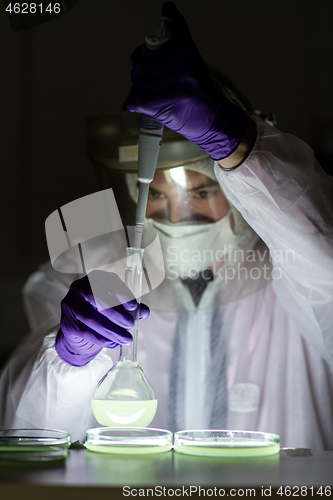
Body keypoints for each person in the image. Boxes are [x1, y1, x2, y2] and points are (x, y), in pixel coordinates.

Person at [1, 1, 333, 449]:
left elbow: (322, 259)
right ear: (133, 193)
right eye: (156, 195)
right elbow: (26, 432)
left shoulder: (288, 273)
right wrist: (69, 359)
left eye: (200, 192)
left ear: (239, 192)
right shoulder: (85, 277)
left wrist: (235, 138)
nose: (178, 217)